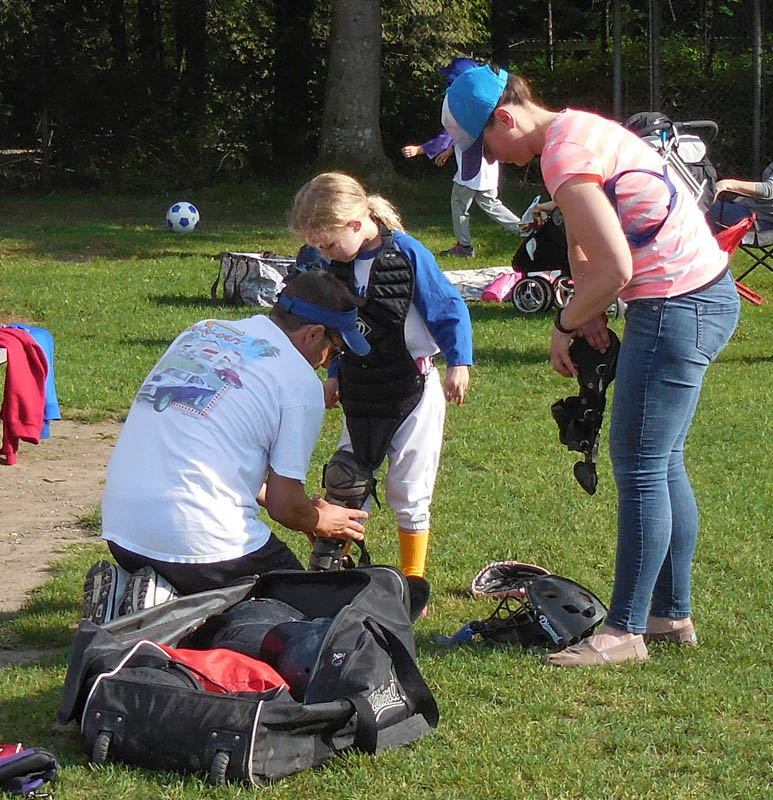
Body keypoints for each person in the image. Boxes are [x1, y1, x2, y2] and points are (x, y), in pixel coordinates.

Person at [443, 65, 740, 666]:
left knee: (638, 465)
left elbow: (616, 272)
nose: (491, 158)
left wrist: (564, 322)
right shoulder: (577, 131)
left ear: (506, 118)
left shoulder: (564, 153)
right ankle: (669, 616)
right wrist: (590, 308)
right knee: (663, 460)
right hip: (703, 297)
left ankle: (626, 631)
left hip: (674, 307)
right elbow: (588, 244)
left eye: (485, 148)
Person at [84, 271, 370, 623]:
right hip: (199, 544)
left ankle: (148, 596)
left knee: (219, 586)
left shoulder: (203, 330)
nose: (327, 362)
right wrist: (320, 518)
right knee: (304, 618)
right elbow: (284, 507)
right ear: (313, 334)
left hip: (122, 531)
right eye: (334, 351)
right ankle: (168, 612)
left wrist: (299, 508)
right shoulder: (299, 382)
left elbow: (214, 460)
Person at [290, 171, 473, 585]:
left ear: (356, 224)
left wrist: (459, 361)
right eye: (318, 246)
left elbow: (448, 307)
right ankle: (331, 572)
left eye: (329, 243)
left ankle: (413, 579)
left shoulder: (406, 254)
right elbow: (343, 329)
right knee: (345, 481)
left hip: (413, 389)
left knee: (408, 489)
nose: (326, 253)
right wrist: (334, 374)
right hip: (361, 388)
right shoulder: (337, 263)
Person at [401, 57, 521, 258]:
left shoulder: (463, 103)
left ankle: (464, 246)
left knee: (459, 204)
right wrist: (449, 152)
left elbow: (448, 134)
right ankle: (526, 230)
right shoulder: (484, 100)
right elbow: (465, 134)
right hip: (488, 165)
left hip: (472, 168)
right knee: (491, 204)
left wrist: (419, 149)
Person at [707, 162, 773, 233]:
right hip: (752, 209)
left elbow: (769, 189)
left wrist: (727, 184)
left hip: (762, 220)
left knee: (703, 208)